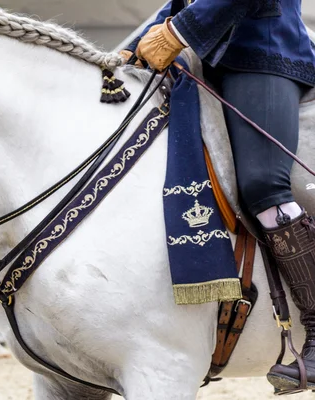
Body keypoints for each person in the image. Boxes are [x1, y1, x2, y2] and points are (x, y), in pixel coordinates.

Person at [121, 0, 315, 391]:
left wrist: (176, 34)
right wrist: (134, 45)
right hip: (204, 59)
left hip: (264, 53)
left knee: (264, 185)